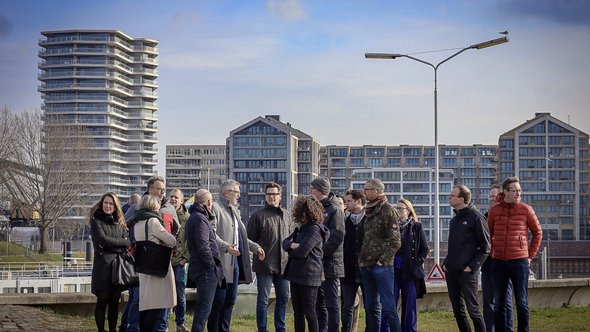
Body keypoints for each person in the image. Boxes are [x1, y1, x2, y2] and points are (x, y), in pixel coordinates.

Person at [121, 176, 180, 332]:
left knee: (156, 301)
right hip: (145, 260)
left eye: (163, 189)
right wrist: (134, 246)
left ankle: (160, 327)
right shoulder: (138, 209)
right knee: (141, 299)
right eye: (158, 189)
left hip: (161, 258)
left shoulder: (169, 208)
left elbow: (177, 229)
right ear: (150, 189)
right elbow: (124, 227)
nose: (161, 192)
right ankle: (133, 327)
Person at [488, 177, 542, 332]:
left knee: (522, 302)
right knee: (499, 303)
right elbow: (488, 235)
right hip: (498, 262)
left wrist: (529, 256)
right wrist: (493, 252)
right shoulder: (495, 211)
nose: (518, 193)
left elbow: (538, 233)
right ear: (505, 192)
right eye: (515, 190)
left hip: (520, 262)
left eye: (519, 190)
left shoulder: (526, 209)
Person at [210, 179, 264, 332]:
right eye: (236, 192)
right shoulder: (215, 208)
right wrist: (226, 247)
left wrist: (256, 247)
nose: (239, 196)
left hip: (234, 265)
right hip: (220, 265)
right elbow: (211, 234)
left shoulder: (234, 211)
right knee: (218, 302)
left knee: (230, 301)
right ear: (227, 193)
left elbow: (241, 237)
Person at [442, 185, 490, 332]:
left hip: (467, 273)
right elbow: (455, 246)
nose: (449, 198)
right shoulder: (454, 220)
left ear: (461, 199)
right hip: (452, 271)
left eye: (452, 195)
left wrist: (472, 267)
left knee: (473, 311)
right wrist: (446, 263)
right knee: (458, 311)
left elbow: (486, 247)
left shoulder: (476, 217)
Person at [247, 182, 293, 332]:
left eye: (274, 194)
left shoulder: (287, 215)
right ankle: (263, 329)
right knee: (263, 300)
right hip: (264, 265)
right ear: (265, 197)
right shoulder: (258, 216)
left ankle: (281, 328)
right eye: (269, 194)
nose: (272, 197)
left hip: (284, 265)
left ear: (280, 196)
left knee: (284, 298)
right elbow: (249, 240)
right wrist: (257, 251)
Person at [358, 179, 401, 332]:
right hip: (366, 265)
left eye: (366, 189)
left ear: (375, 191)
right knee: (370, 307)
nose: (364, 192)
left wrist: (382, 261)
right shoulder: (369, 210)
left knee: (389, 307)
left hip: (381, 267)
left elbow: (395, 241)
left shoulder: (387, 210)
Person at [282, 195, 330, 332]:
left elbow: (302, 251)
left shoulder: (315, 229)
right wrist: (292, 245)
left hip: (310, 276)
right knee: (298, 312)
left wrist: (292, 248)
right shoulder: (301, 228)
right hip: (296, 274)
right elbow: (284, 243)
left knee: (310, 312)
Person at [382, 199, 428, 332]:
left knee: (409, 304)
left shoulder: (416, 226)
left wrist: (416, 264)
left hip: (410, 271)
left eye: (401, 208)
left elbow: (424, 249)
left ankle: (409, 329)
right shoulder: (390, 226)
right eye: (396, 208)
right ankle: (387, 329)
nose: (398, 210)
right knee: (390, 302)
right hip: (392, 270)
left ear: (408, 211)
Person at [133, 194, 177, 332]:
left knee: (146, 304)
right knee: (157, 304)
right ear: (154, 206)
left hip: (144, 266)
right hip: (156, 266)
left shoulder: (137, 222)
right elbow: (170, 241)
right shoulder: (153, 221)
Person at [89, 192, 131, 332]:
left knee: (114, 302)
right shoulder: (96, 221)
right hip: (103, 268)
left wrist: (121, 243)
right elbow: (103, 241)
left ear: (115, 206)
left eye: (111, 203)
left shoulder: (120, 222)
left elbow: (128, 240)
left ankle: (112, 329)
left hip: (117, 267)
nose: (108, 206)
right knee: (102, 301)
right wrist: (122, 243)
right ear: (102, 204)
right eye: (106, 203)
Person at [186, 189, 226, 332]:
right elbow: (203, 246)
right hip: (206, 270)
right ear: (209, 202)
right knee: (203, 311)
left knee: (210, 308)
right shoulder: (199, 218)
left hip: (205, 269)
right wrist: (211, 266)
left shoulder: (196, 216)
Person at [309, 177, 345, 332]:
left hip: (330, 263)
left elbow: (337, 236)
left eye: (312, 188)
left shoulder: (334, 209)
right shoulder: (316, 207)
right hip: (317, 263)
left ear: (319, 190)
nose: (310, 191)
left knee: (331, 303)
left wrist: (319, 253)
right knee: (318, 303)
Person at [341, 189, 374, 332]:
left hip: (367, 270)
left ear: (359, 202)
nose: (346, 204)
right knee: (347, 306)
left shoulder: (371, 221)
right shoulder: (344, 221)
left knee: (370, 306)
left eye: (349, 201)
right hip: (348, 271)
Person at [482, 185, 514, 332]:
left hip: (504, 265)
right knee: (488, 303)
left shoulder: (509, 215)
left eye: (496, 196)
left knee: (505, 302)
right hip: (487, 267)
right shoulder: (483, 218)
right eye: (490, 197)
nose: (493, 200)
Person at [169, 188, 191, 332]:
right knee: (165, 294)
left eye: (176, 197)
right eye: (171, 196)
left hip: (179, 262)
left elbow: (191, 240)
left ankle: (180, 323)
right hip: (165, 262)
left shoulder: (188, 218)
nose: (173, 199)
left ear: (181, 200)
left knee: (180, 294)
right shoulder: (164, 214)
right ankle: (163, 323)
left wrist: (185, 258)